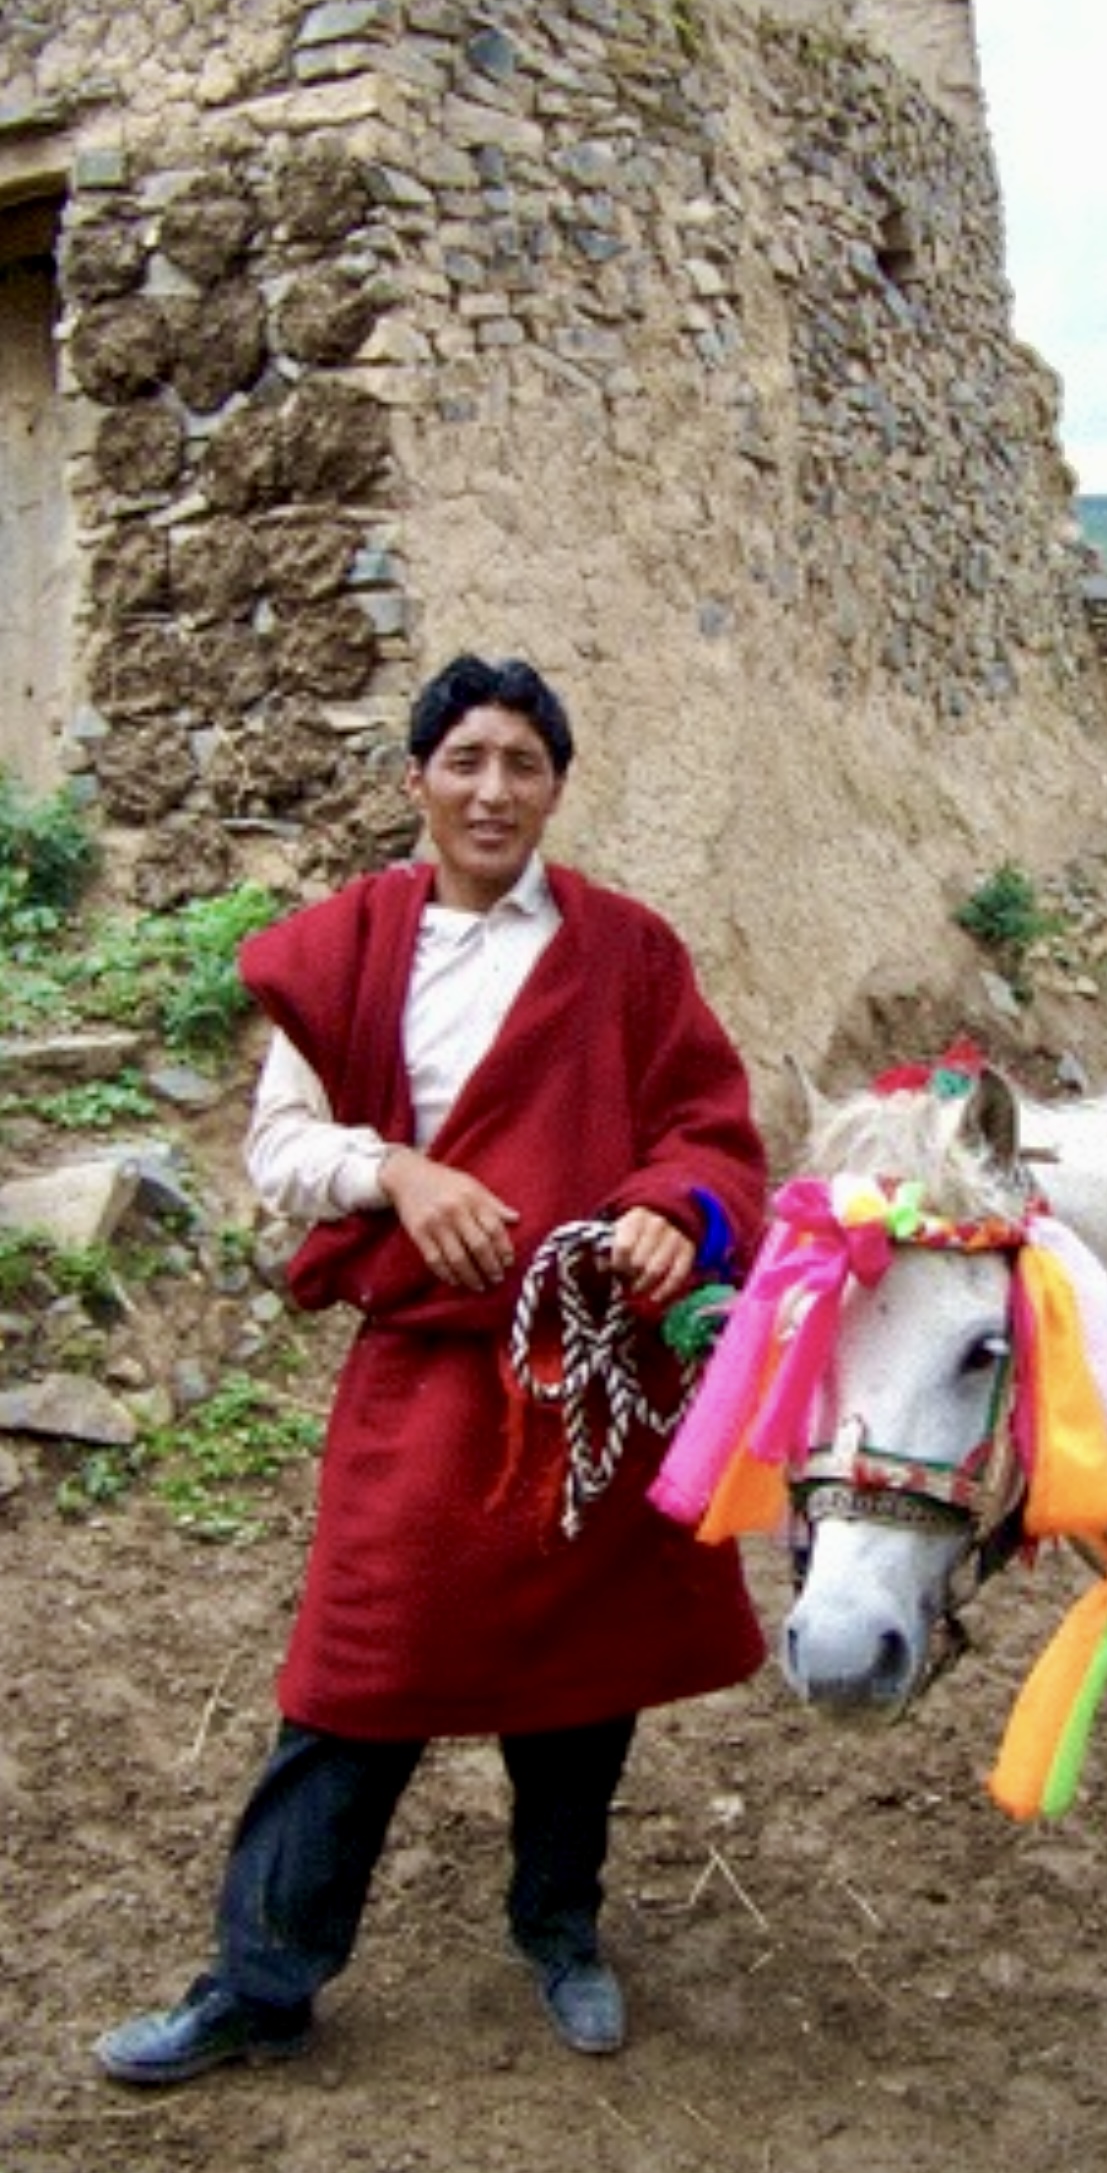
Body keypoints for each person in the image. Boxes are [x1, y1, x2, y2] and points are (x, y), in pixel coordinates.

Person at [95, 654, 769, 2084]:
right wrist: (398, 1173)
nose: (493, 789)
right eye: (466, 758)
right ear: (416, 779)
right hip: (427, 1374)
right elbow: (282, 1147)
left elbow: (710, 1128)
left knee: (582, 1684)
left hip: (589, 1383)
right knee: (353, 1676)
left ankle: (561, 1931)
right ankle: (261, 1983)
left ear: (557, 788)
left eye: (524, 763)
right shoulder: (350, 947)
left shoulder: (630, 953)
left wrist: (672, 1209)